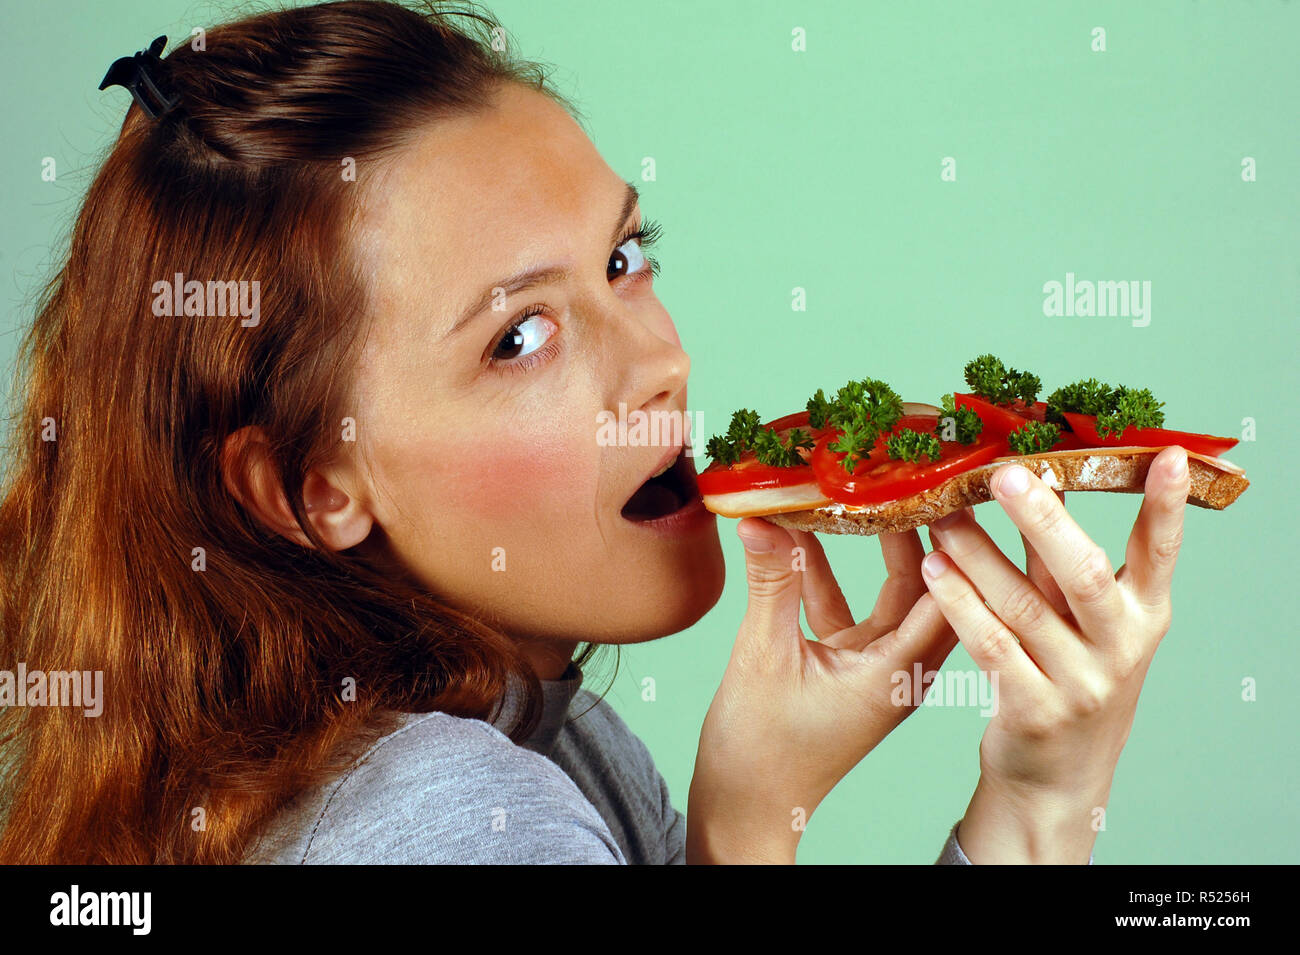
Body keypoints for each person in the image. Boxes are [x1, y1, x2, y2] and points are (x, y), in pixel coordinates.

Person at [0, 0, 1190, 864]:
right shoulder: (460, 818)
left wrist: (1042, 786)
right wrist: (742, 826)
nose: (661, 357)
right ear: (313, 487)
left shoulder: (538, 731)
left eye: (622, 259)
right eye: (518, 336)